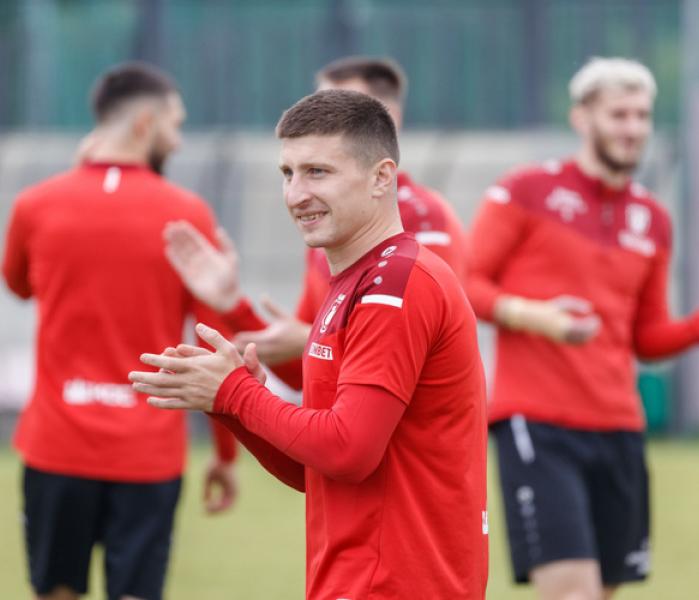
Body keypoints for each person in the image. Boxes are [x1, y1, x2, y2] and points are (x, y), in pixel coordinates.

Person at [129, 89, 489, 599]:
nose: (296, 194)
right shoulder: (356, 281)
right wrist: (230, 403)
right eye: (287, 173)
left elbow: (348, 451)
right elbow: (315, 470)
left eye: (317, 172)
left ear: (381, 177)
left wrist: (236, 394)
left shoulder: (395, 285)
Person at [2, 62, 238, 600]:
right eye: (175, 124)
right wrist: (225, 455)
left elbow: (18, 284)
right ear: (144, 124)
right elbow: (215, 339)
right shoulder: (188, 215)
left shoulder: (36, 204)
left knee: (55, 591)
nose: (178, 140)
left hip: (56, 444)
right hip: (147, 452)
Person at [466, 57, 699, 599]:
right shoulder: (525, 190)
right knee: (573, 595)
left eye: (641, 115)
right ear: (582, 117)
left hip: (620, 428)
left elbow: (647, 339)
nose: (633, 128)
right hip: (538, 424)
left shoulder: (653, 220)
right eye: (619, 114)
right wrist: (534, 316)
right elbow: (465, 282)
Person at [162, 56, 468, 376]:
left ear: (387, 119)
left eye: (342, 105)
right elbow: (308, 374)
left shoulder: (424, 218)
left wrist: (237, 391)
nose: (322, 118)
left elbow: (416, 340)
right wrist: (233, 305)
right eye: (318, 103)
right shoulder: (331, 222)